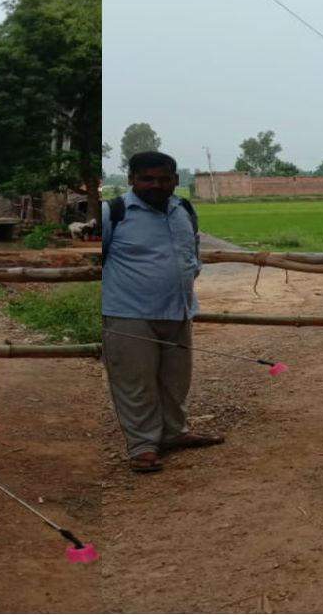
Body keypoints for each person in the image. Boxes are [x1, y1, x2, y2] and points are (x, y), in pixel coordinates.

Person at [100, 151, 223, 473]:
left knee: (175, 380)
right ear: (131, 180)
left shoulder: (183, 208)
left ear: (175, 180)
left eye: (164, 179)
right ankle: (142, 446)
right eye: (147, 179)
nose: (156, 185)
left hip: (178, 310)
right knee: (135, 382)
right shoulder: (113, 212)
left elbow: (191, 249)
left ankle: (174, 433)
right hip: (128, 314)